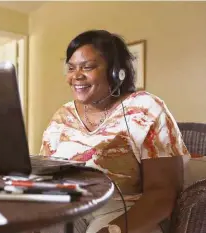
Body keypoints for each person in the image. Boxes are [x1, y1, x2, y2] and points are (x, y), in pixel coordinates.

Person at [39, 30, 190, 233]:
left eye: (88, 67)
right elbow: (45, 174)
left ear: (116, 72)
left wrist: (113, 230)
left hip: (125, 209)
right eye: (71, 68)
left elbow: (164, 191)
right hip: (70, 205)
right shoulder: (62, 115)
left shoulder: (145, 108)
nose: (76, 76)